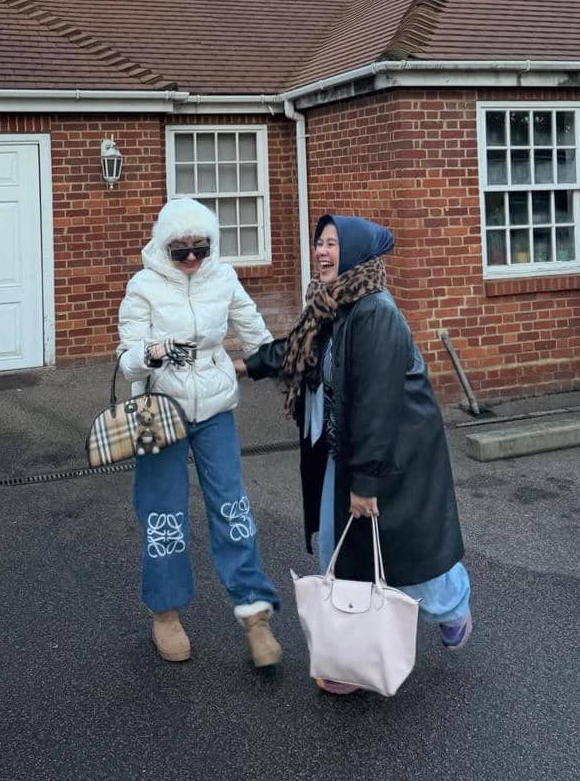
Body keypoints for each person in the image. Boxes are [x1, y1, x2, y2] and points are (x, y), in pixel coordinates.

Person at [245, 213, 471, 695]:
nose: (323, 251)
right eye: (319, 243)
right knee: (340, 548)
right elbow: (298, 352)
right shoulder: (332, 307)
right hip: (344, 449)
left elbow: (377, 402)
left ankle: (454, 606)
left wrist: (365, 482)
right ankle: (348, 659)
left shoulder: (375, 312)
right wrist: (249, 363)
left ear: (355, 251)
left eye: (332, 243)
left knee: (406, 558)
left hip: (390, 455)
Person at [117, 197, 282, 669]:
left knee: (232, 504)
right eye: (180, 251)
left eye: (200, 249)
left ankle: (255, 614)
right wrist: (150, 354)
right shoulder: (143, 286)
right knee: (161, 510)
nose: (191, 259)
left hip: (214, 403)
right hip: (157, 406)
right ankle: (165, 613)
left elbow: (258, 337)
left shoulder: (223, 278)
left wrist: (276, 364)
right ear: (163, 247)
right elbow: (126, 355)